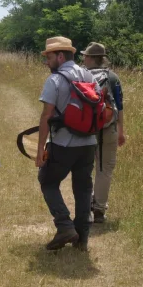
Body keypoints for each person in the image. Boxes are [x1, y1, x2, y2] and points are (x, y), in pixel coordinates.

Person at [35, 36, 98, 251]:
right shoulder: (89, 75)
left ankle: (64, 225)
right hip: (89, 143)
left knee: (47, 180)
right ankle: (82, 238)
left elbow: (46, 116)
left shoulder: (55, 80)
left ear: (60, 56)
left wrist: (39, 151)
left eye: (49, 57)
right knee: (82, 188)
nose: (47, 62)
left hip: (63, 144)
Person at [80, 42, 126, 223]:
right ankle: (99, 210)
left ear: (91, 58)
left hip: (84, 129)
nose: (83, 58)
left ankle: (85, 207)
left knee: (85, 168)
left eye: (85, 55)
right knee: (104, 169)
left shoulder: (80, 75)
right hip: (108, 128)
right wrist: (121, 131)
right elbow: (119, 106)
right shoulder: (113, 77)